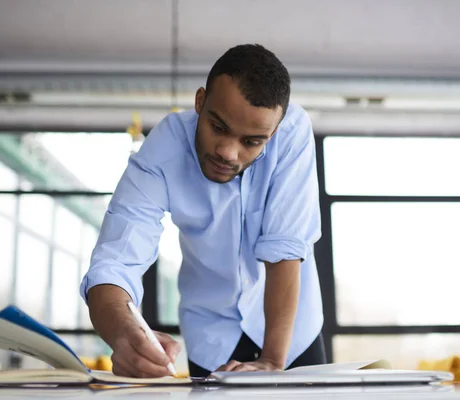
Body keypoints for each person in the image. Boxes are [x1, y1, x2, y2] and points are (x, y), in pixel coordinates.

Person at [80, 43, 325, 378]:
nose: (228, 152)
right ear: (200, 102)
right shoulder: (162, 150)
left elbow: (284, 247)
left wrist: (271, 361)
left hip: (291, 333)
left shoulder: (292, 130)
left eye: (251, 142)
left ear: (273, 133)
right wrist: (123, 334)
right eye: (218, 127)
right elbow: (114, 262)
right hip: (213, 337)